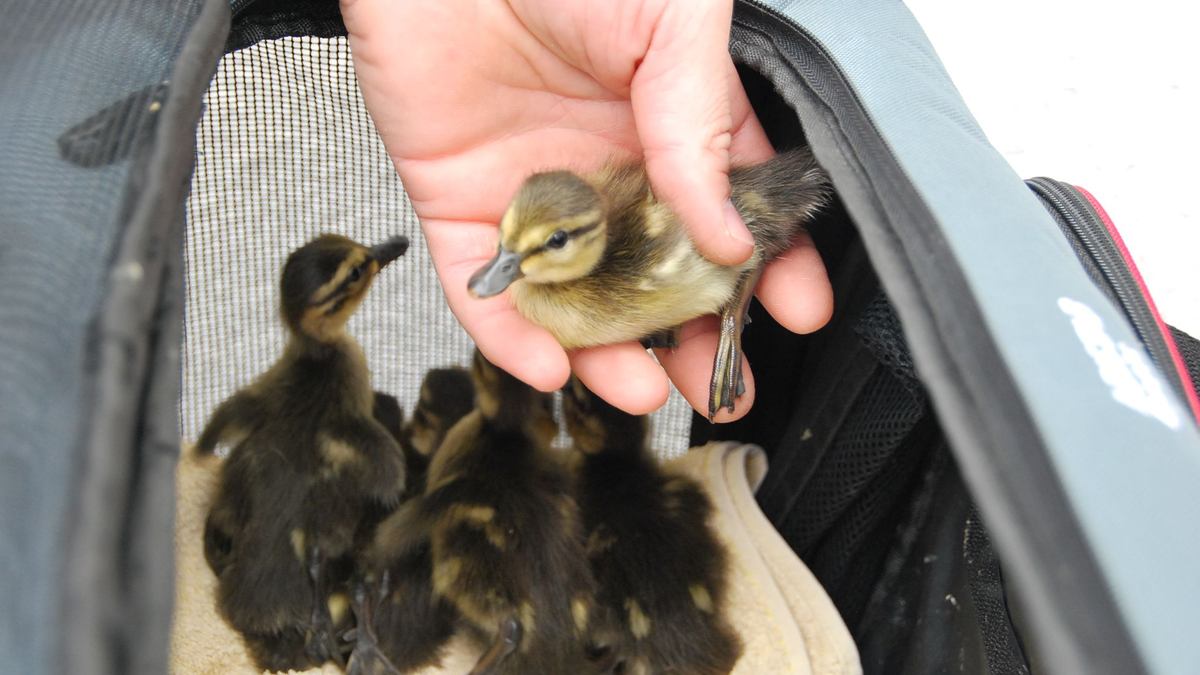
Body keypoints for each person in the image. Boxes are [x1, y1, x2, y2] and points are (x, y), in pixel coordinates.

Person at [340, 0, 833, 422]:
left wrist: (730, 324)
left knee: (735, 237)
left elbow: (737, 228)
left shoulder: (626, 265)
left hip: (747, 209)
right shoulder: (584, 270)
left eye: (553, 242)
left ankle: (728, 321)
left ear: (589, 235)